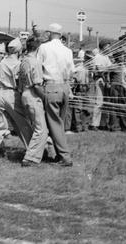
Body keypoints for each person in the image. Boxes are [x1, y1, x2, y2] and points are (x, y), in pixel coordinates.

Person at [0, 38, 32, 160]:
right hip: (11, 94)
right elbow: (19, 82)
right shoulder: (18, 64)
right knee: (23, 123)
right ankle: (32, 151)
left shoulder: (2, 62)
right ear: (19, 51)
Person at [37, 23, 74, 166]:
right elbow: (71, 71)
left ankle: (65, 157)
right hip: (64, 86)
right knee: (60, 122)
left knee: (54, 124)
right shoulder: (68, 50)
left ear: (50, 33)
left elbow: (38, 67)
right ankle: (60, 154)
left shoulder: (44, 48)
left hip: (51, 86)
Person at [18, 36, 49, 166]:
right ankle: (30, 157)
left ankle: (37, 153)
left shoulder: (24, 60)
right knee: (41, 129)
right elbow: (37, 85)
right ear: (38, 47)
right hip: (32, 95)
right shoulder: (35, 62)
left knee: (37, 127)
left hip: (24, 93)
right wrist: (45, 97)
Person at [105, 52, 126, 132]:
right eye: (121, 57)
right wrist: (108, 82)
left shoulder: (122, 66)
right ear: (118, 58)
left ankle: (125, 126)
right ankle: (112, 126)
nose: (123, 58)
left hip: (121, 87)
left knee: (123, 106)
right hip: (114, 87)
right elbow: (106, 73)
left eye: (123, 56)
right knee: (114, 106)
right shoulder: (113, 66)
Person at [90, 43, 112, 130]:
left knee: (105, 102)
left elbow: (110, 67)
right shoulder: (98, 57)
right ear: (103, 48)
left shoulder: (106, 57)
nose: (110, 49)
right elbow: (99, 70)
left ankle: (103, 123)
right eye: (108, 47)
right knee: (99, 102)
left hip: (105, 81)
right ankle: (94, 124)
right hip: (99, 80)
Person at [70, 54, 89, 133]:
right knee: (81, 109)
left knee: (80, 109)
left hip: (82, 89)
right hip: (82, 89)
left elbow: (75, 80)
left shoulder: (79, 70)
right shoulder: (81, 69)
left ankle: (81, 126)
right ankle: (81, 126)